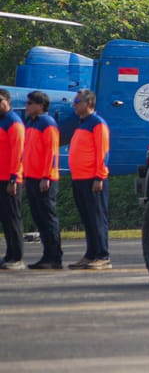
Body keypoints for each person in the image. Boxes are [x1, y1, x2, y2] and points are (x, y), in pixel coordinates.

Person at [68, 89, 111, 270]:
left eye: (77, 100)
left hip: (92, 178)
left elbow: (103, 152)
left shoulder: (97, 123)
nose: (74, 104)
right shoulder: (82, 123)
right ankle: (91, 253)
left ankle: (102, 255)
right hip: (79, 177)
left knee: (96, 217)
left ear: (89, 103)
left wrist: (99, 176)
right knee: (87, 218)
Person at [23, 91, 62, 270]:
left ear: (40, 105)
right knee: (39, 217)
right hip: (31, 177)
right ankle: (47, 254)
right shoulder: (31, 122)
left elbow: (51, 153)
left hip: (44, 178)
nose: (27, 106)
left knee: (47, 218)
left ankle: (54, 256)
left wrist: (46, 176)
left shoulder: (47, 123)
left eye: (30, 103)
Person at [0, 89, 26, 270]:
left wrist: (14, 178)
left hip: (10, 178)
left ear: (8, 101)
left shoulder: (13, 122)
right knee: (5, 218)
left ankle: (16, 256)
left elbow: (18, 153)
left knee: (12, 217)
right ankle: (9, 254)